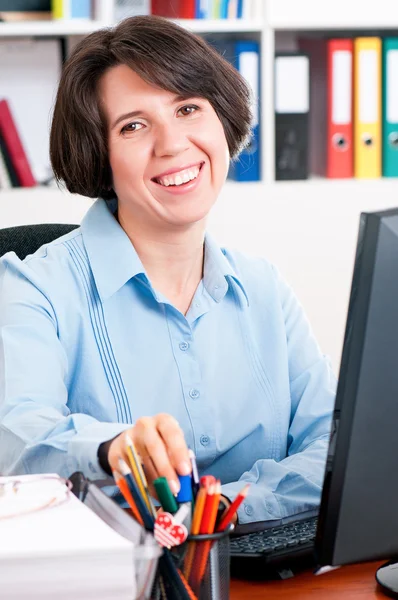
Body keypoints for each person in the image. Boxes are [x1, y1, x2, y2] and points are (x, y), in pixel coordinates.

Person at [0, 15, 336, 525]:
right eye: (133, 125)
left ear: (222, 121)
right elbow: (18, 442)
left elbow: (331, 444)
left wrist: (219, 513)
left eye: (188, 108)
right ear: (100, 152)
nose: (173, 143)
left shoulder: (263, 288)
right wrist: (110, 447)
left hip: (269, 573)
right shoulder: (34, 288)